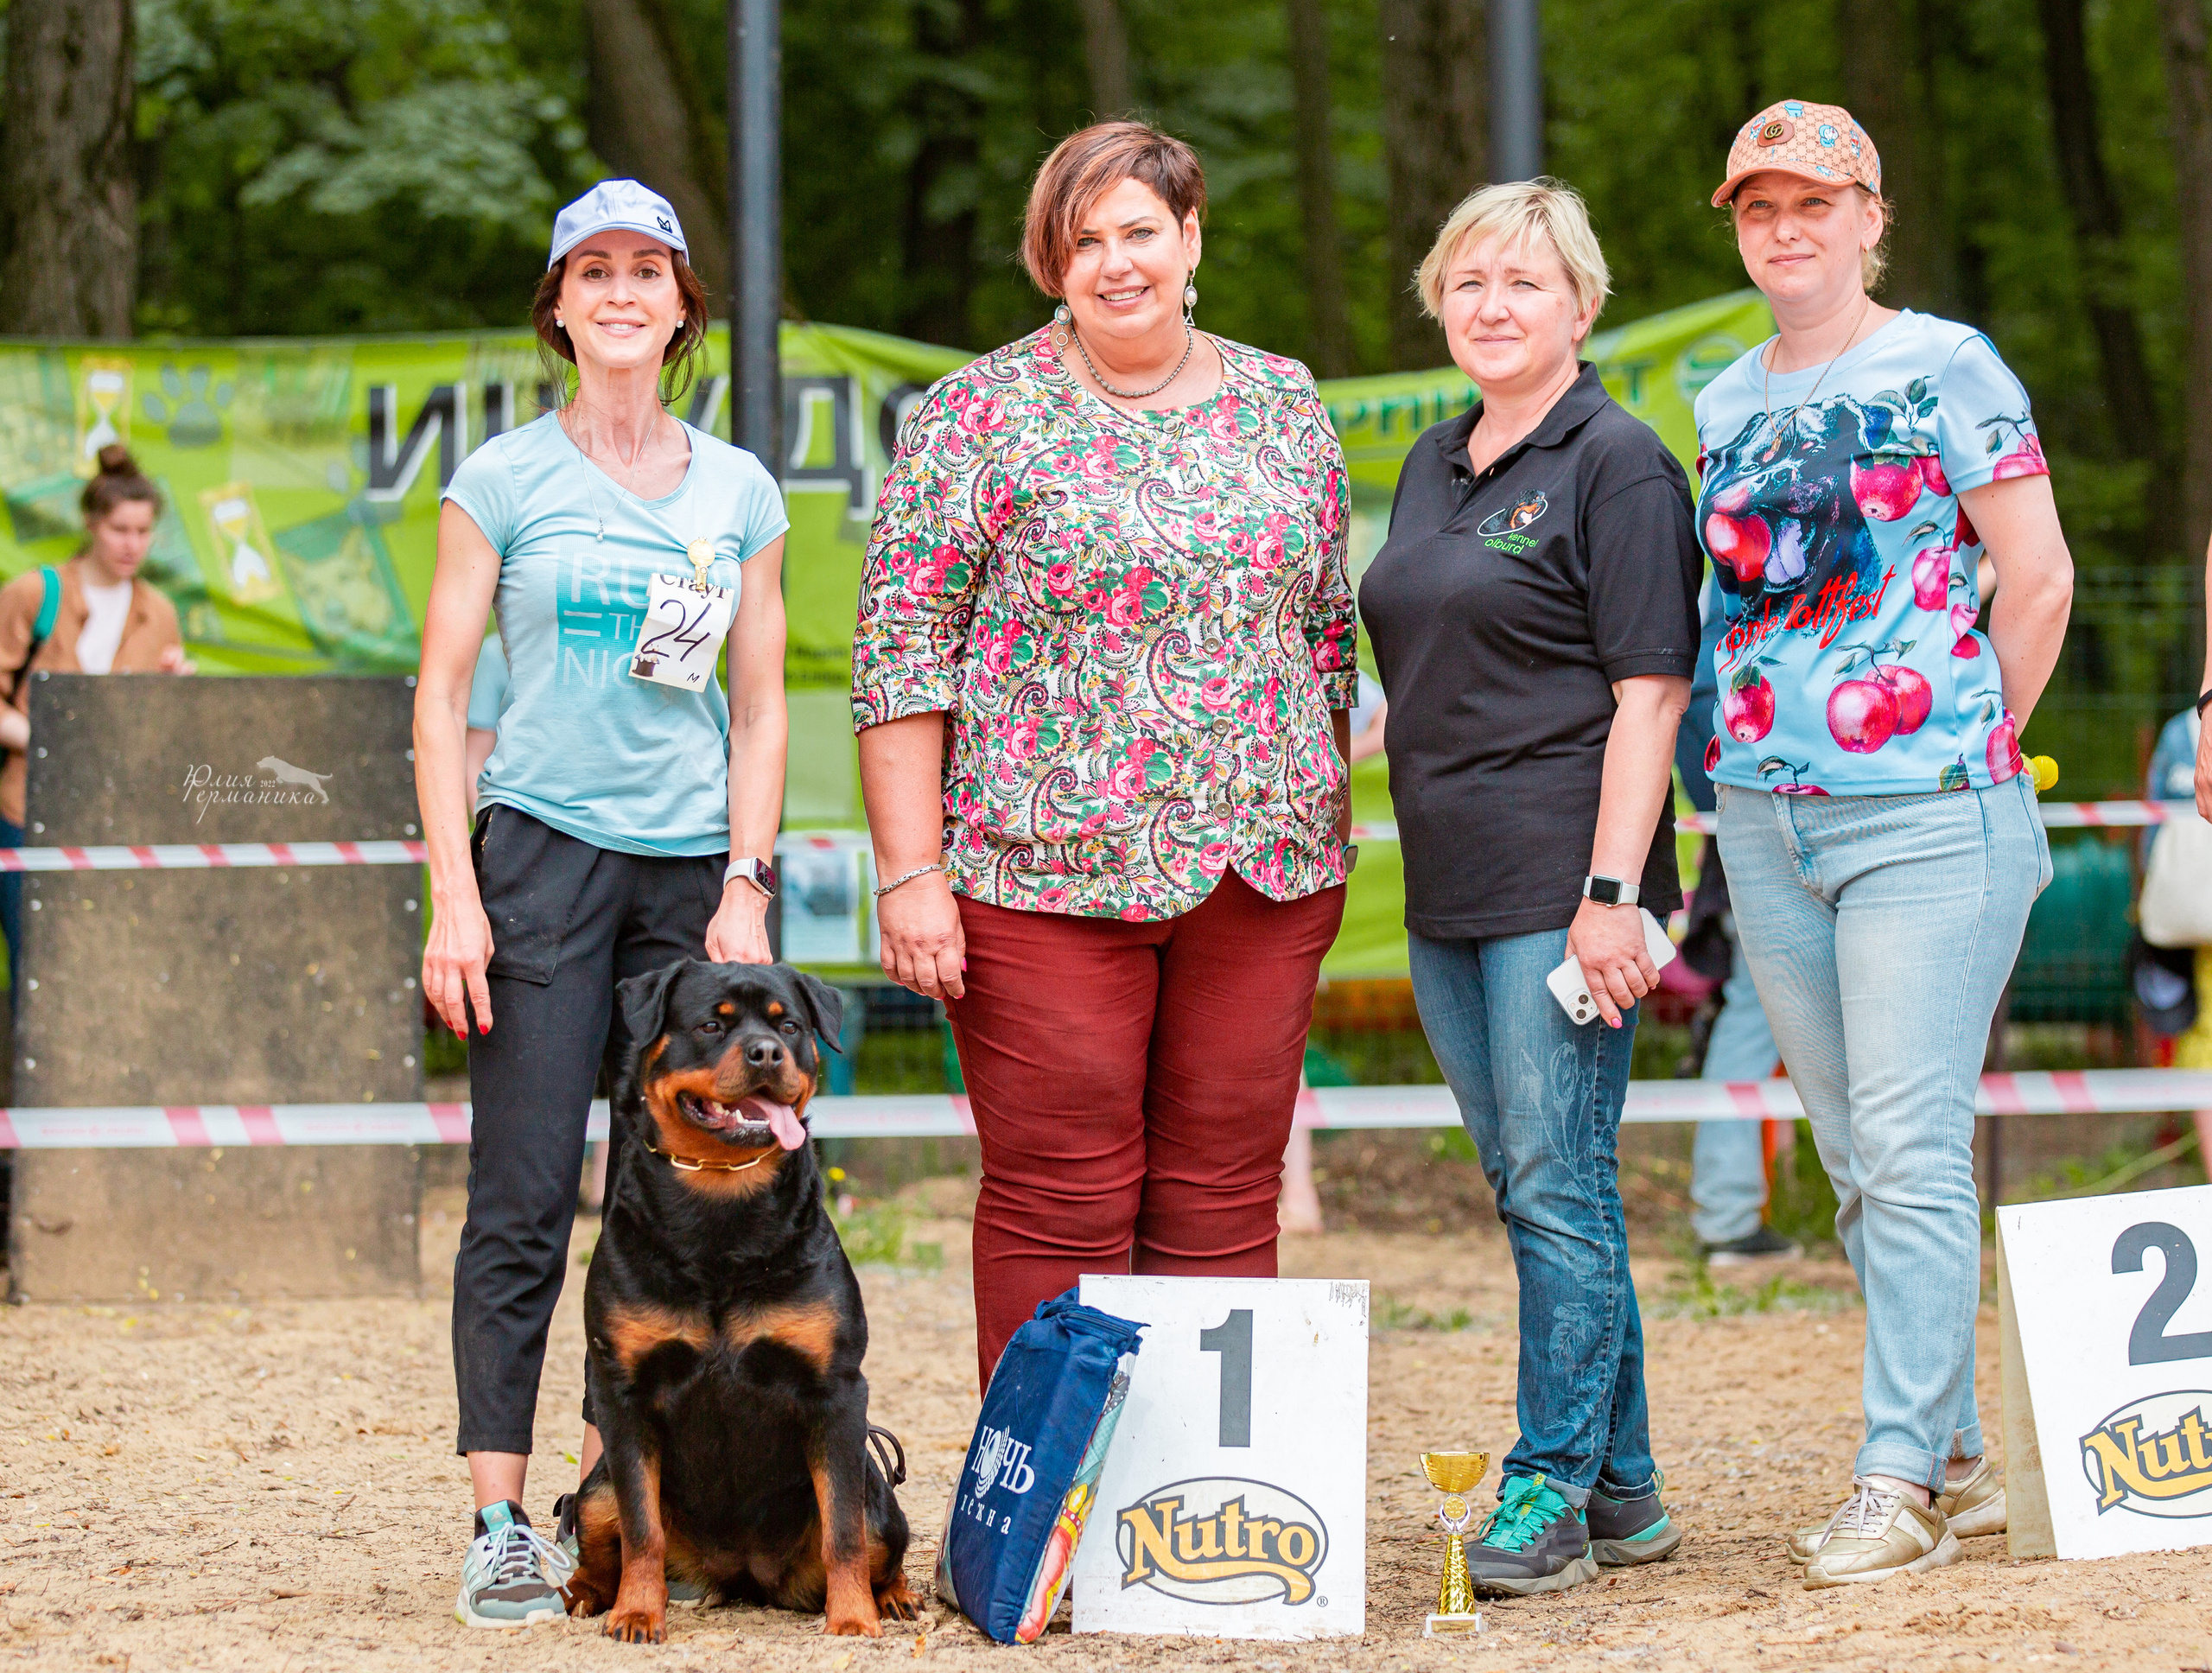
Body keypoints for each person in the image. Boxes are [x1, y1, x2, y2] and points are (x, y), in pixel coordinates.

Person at [850, 120, 1357, 1391]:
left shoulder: (1286, 401)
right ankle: (1050, 1495)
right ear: (1052, 265)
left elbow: (1325, 632)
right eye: (1084, 241)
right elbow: (903, 651)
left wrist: (1324, 822)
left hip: (1264, 874)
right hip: (1039, 877)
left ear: (1191, 239)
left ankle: (1189, 1497)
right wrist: (911, 876)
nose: (1116, 262)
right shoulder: (975, 413)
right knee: (1059, 1196)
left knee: (1225, 1193)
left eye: (1140, 231)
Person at [1697, 101, 2072, 1587]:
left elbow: (2036, 579)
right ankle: (1967, 1464)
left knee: (1910, 1147)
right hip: (1762, 816)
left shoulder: (1949, 364)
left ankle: (1894, 1477)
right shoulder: (1724, 400)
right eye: (1759, 207)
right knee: (1858, 1162)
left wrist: (1967, 741)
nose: (1786, 229)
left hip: (1927, 812)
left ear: (1871, 216)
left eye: (1815, 202)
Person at [414, 180, 791, 1628]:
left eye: (649, 270)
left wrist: (744, 882)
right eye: (595, 272)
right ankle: (498, 1521)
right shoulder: (499, 479)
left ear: (683, 305)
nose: (622, 292)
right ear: (560, 307)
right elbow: (440, 698)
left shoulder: (739, 490)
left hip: (689, 881)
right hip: (539, 861)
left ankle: (606, 1505)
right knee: (521, 1197)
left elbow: (758, 710)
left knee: (670, 1209)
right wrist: (457, 897)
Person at [1359, 177, 1700, 1595]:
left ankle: (1547, 1487)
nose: (1493, 306)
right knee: (1534, 1185)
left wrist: (1614, 891)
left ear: (1583, 305)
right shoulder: (1434, 460)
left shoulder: (1619, 461)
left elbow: (1651, 693)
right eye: (1470, 281)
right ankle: (1624, 1487)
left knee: (1560, 1183)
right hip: (1447, 883)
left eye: (1526, 282)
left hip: (1567, 886)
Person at [0, 445, 191, 991]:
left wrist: (176, 694)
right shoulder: (36, 593)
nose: (132, 544)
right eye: (119, 529)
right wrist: (48, 739)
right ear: (90, 524)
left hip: (117, 814)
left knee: (110, 969)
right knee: (37, 969)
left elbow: (159, 733)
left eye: (143, 531)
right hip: (28, 807)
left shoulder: (159, 612)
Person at [1674, 576, 1794, 1263]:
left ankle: (1727, 1211)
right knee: (1759, 1014)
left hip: (1748, 804)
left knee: (1753, 1013)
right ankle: (1729, 1212)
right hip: (1777, 807)